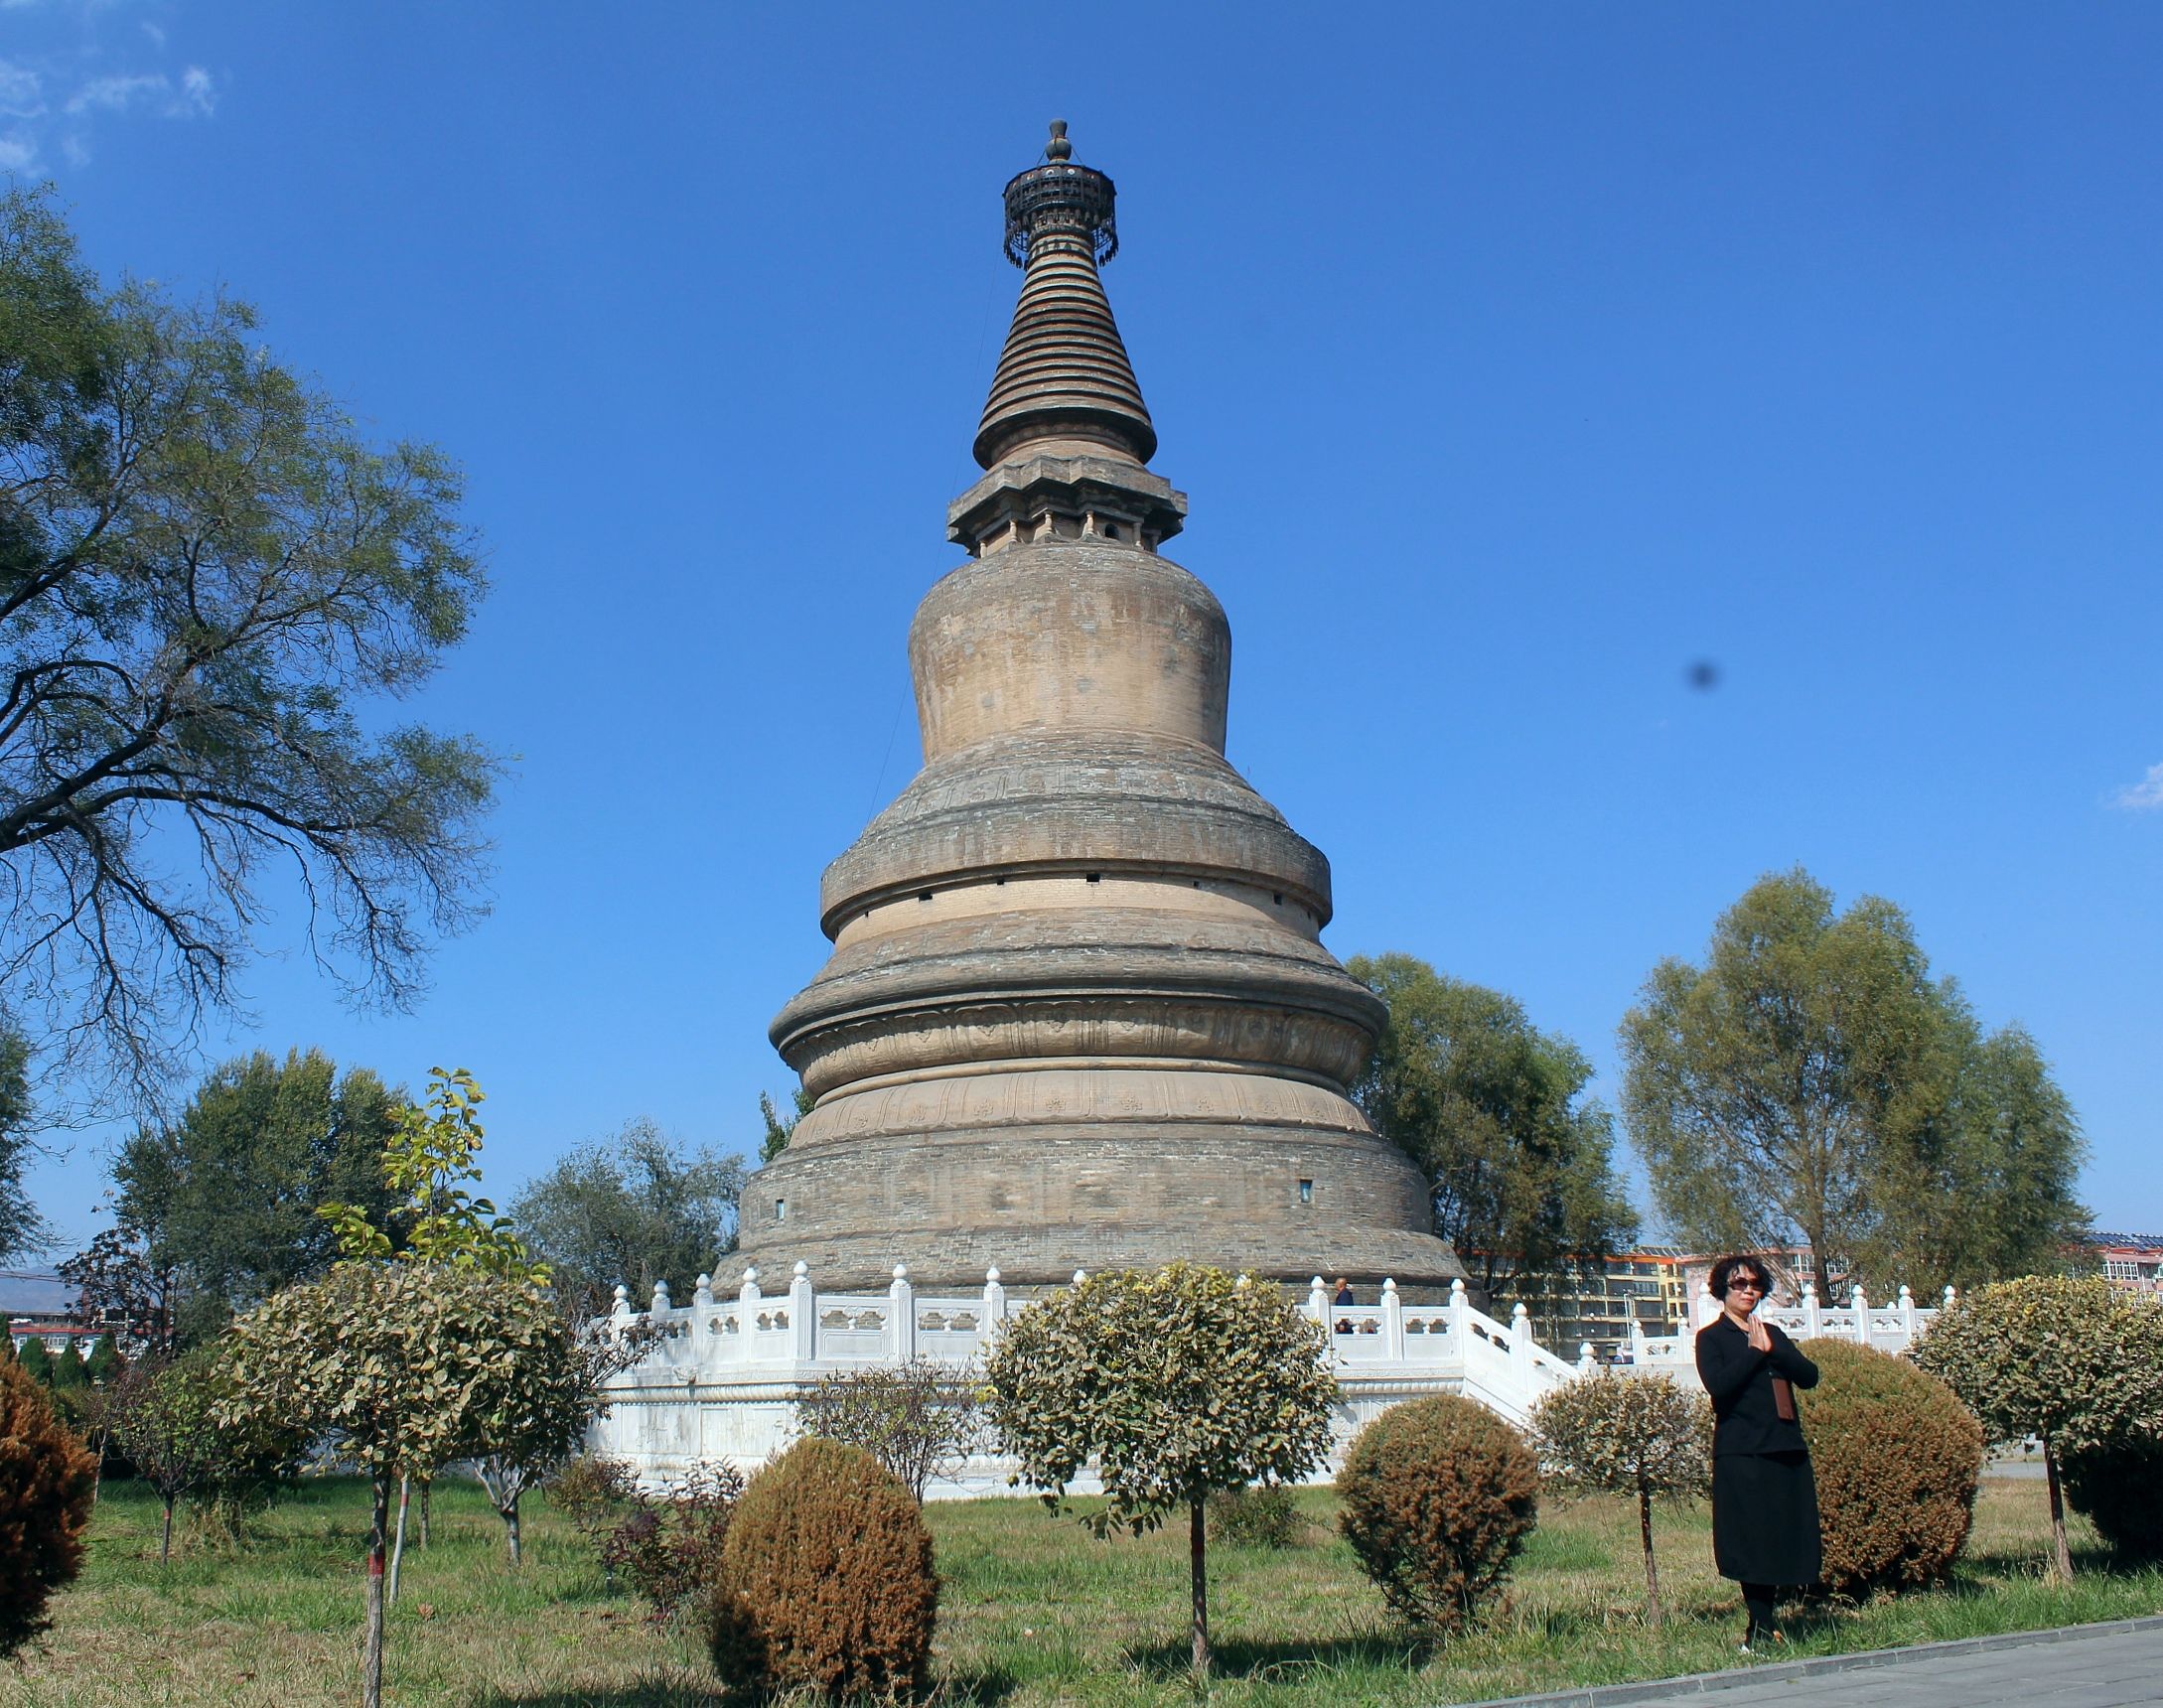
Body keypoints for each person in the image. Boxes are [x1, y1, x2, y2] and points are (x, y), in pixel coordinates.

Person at [1695, 1253, 1820, 1652]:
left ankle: (1770, 1622)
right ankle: (1761, 1626)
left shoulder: (1773, 1334)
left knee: (1784, 1536)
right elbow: (1720, 1386)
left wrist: (1772, 1348)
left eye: (1754, 1284)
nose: (1748, 1290)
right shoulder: (1711, 1339)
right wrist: (1753, 1352)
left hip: (1785, 1448)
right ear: (1722, 1291)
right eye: (1739, 1284)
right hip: (1742, 1454)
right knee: (1752, 1541)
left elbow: (1809, 1376)